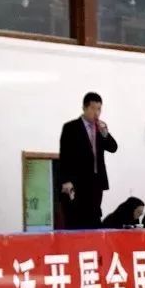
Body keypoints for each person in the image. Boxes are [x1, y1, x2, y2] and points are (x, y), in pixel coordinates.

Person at [58, 92, 118, 229]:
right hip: (78, 181)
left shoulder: (101, 128)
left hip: (97, 181)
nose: (96, 113)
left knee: (94, 216)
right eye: (93, 108)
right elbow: (65, 156)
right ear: (84, 108)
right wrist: (66, 180)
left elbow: (113, 148)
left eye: (99, 109)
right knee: (78, 217)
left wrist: (105, 134)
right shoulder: (71, 127)